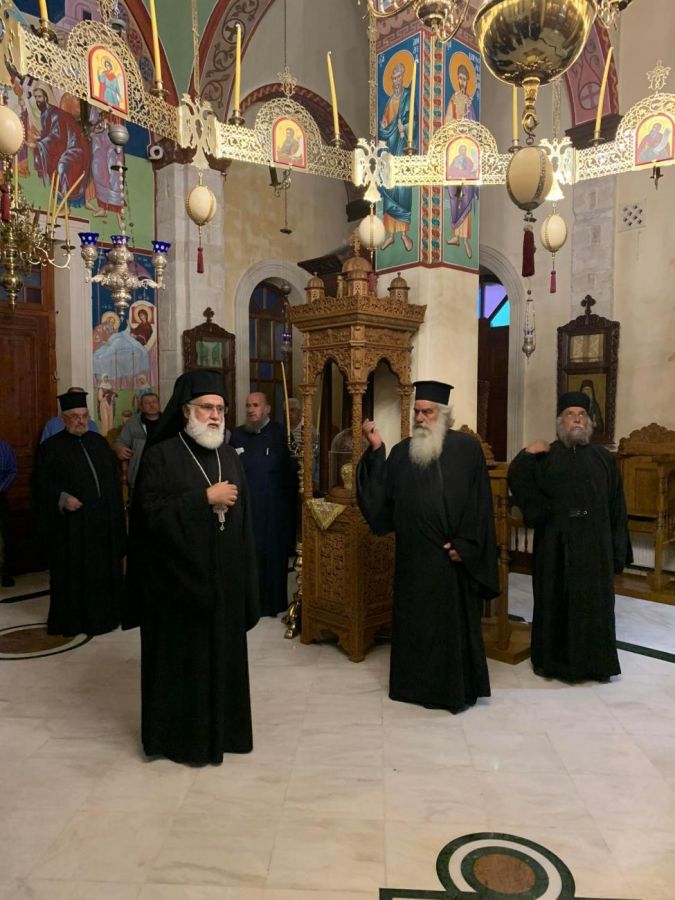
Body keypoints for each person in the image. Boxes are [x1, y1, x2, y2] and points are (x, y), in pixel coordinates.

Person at [127, 369, 259, 766]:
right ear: (186, 411)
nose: (215, 415)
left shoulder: (227, 455)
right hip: (178, 588)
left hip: (223, 585)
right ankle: (183, 742)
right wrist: (203, 499)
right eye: (207, 408)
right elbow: (148, 515)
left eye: (220, 408)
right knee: (187, 668)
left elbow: (244, 519)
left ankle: (227, 734)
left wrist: (246, 579)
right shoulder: (161, 455)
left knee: (224, 661)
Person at [357, 380, 499, 713]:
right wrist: (376, 451)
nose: (420, 418)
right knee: (415, 627)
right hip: (413, 559)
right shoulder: (402, 452)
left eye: (428, 412)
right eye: (417, 412)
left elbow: (480, 506)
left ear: (444, 415)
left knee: (449, 631)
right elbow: (381, 503)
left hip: (451, 560)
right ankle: (413, 688)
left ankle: (451, 692)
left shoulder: (467, 450)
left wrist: (466, 545)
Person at [508, 391, 633, 682]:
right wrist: (526, 454)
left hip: (595, 545)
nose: (577, 419)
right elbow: (518, 479)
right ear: (560, 422)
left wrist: (617, 552)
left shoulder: (604, 459)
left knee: (594, 606)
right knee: (555, 602)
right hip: (555, 545)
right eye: (570, 414)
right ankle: (554, 664)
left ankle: (595, 665)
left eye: (582, 414)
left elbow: (617, 507)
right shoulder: (545, 456)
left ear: (589, 422)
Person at [33, 391, 126, 636]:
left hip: (102, 523)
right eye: (75, 416)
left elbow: (113, 480)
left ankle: (106, 618)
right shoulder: (50, 448)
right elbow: (41, 484)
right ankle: (76, 621)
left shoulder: (99, 443)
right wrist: (62, 498)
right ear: (64, 419)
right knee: (77, 575)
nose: (81, 421)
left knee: (103, 572)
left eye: (84, 416)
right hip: (73, 527)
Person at [229, 392, 297, 617]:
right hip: (245, 509)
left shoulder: (280, 434)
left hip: (273, 510)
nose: (251, 409)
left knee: (271, 556)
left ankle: (272, 604)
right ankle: (248, 603)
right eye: (248, 405)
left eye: (256, 405)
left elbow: (290, 475)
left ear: (267, 408)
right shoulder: (237, 435)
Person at [30, 85, 90, 208]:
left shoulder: (55, 114)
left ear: (46, 97)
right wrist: (40, 139)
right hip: (66, 147)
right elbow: (50, 133)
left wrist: (39, 144)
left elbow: (55, 136)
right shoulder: (45, 113)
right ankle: (61, 202)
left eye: (39, 97)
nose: (37, 100)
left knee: (62, 165)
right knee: (57, 163)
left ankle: (63, 203)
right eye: (36, 97)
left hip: (75, 148)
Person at [379, 60, 414, 252]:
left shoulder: (407, 96)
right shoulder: (390, 100)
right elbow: (384, 125)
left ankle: (404, 234)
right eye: (393, 78)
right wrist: (384, 125)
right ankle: (390, 235)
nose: (396, 81)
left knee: (403, 191)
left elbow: (413, 120)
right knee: (389, 189)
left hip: (403, 147)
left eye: (399, 77)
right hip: (390, 150)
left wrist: (404, 129)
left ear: (403, 78)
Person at [445, 60, 478, 258]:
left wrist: (468, 123)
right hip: (454, 152)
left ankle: (465, 238)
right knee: (454, 194)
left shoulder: (470, 102)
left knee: (467, 195)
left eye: (465, 79)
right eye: (460, 78)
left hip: (468, 153)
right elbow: (448, 122)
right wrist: (457, 125)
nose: (462, 81)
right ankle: (455, 234)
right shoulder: (454, 99)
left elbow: (475, 128)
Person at [113, 392, 161, 496]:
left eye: (154, 402)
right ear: (141, 407)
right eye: (147, 403)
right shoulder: (132, 422)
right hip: (140, 471)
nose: (152, 405)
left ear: (159, 404)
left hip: (163, 470)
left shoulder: (168, 422)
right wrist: (119, 448)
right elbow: (119, 442)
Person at [288, 397, 319, 485]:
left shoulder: (308, 430)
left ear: (299, 413)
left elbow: (317, 455)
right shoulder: (283, 430)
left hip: (307, 473)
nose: (289, 413)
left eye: (292, 410)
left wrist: (316, 479)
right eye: (286, 411)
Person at [0, 438, 17, 588]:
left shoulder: (4, 447)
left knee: (6, 536)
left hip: (0, 497)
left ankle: (6, 573)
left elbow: (12, 470)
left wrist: (1, 488)